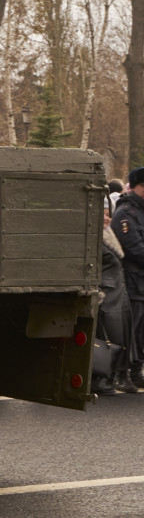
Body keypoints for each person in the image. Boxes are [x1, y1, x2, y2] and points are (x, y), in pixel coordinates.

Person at [97, 199, 135, 395]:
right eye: (102, 214)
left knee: (122, 337)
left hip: (119, 293)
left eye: (107, 213)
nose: (107, 218)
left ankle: (118, 375)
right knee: (109, 339)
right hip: (107, 293)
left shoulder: (107, 234)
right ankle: (103, 377)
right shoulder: (93, 238)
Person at [112, 167, 144, 391]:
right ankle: (124, 373)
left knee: (141, 329)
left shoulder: (139, 211)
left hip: (140, 281)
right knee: (132, 329)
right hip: (133, 280)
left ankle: (136, 370)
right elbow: (134, 247)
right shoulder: (126, 212)